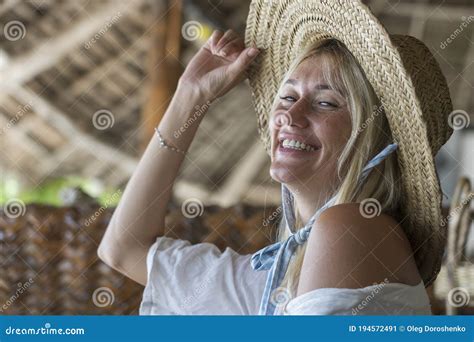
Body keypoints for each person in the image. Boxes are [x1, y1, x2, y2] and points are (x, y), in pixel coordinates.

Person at [98, 0, 453, 315]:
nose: (290, 116)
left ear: (376, 140)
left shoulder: (351, 227)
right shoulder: (280, 271)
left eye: (326, 103)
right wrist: (189, 99)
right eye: (286, 97)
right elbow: (125, 248)